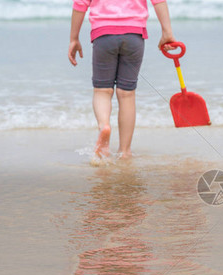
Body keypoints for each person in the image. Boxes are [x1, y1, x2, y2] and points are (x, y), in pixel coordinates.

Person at [68, 0, 176, 160]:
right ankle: (125, 151)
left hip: (103, 35)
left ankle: (104, 125)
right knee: (127, 94)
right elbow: (158, 1)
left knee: (102, 90)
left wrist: (74, 38)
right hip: (134, 35)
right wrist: (167, 32)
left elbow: (79, 5)